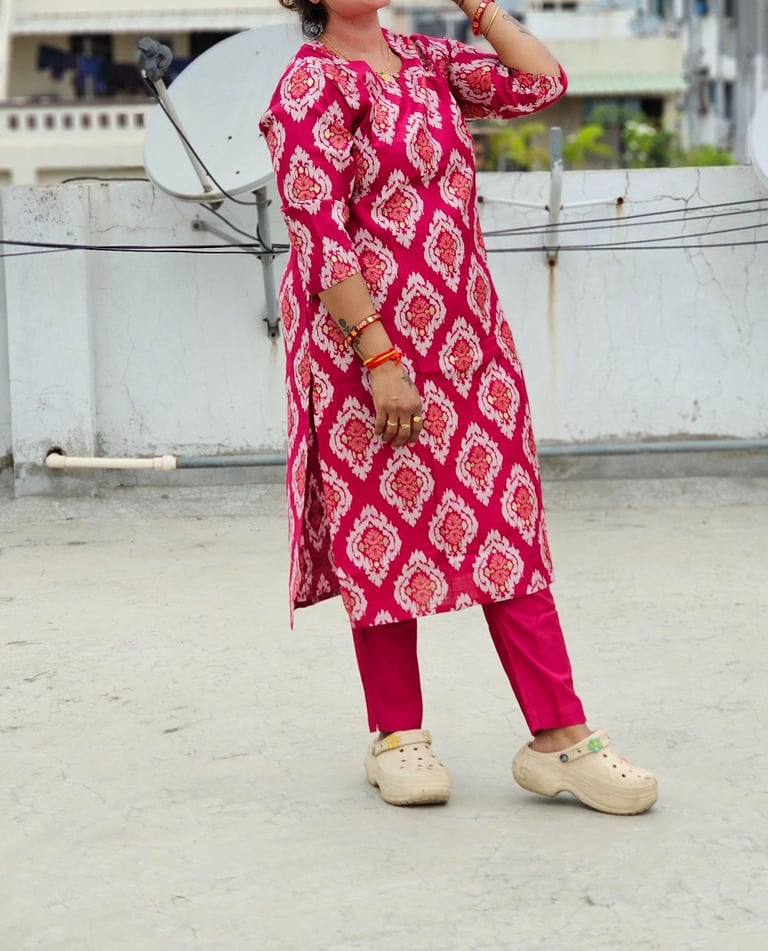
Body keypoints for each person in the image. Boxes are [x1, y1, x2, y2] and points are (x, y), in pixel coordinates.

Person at [259, 0, 658, 814]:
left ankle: (559, 738)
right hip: (366, 356)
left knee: (507, 524)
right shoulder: (309, 87)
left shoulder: (426, 61)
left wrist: (477, 5)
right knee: (381, 533)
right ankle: (398, 737)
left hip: (468, 347)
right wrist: (378, 357)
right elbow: (321, 237)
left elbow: (541, 83)